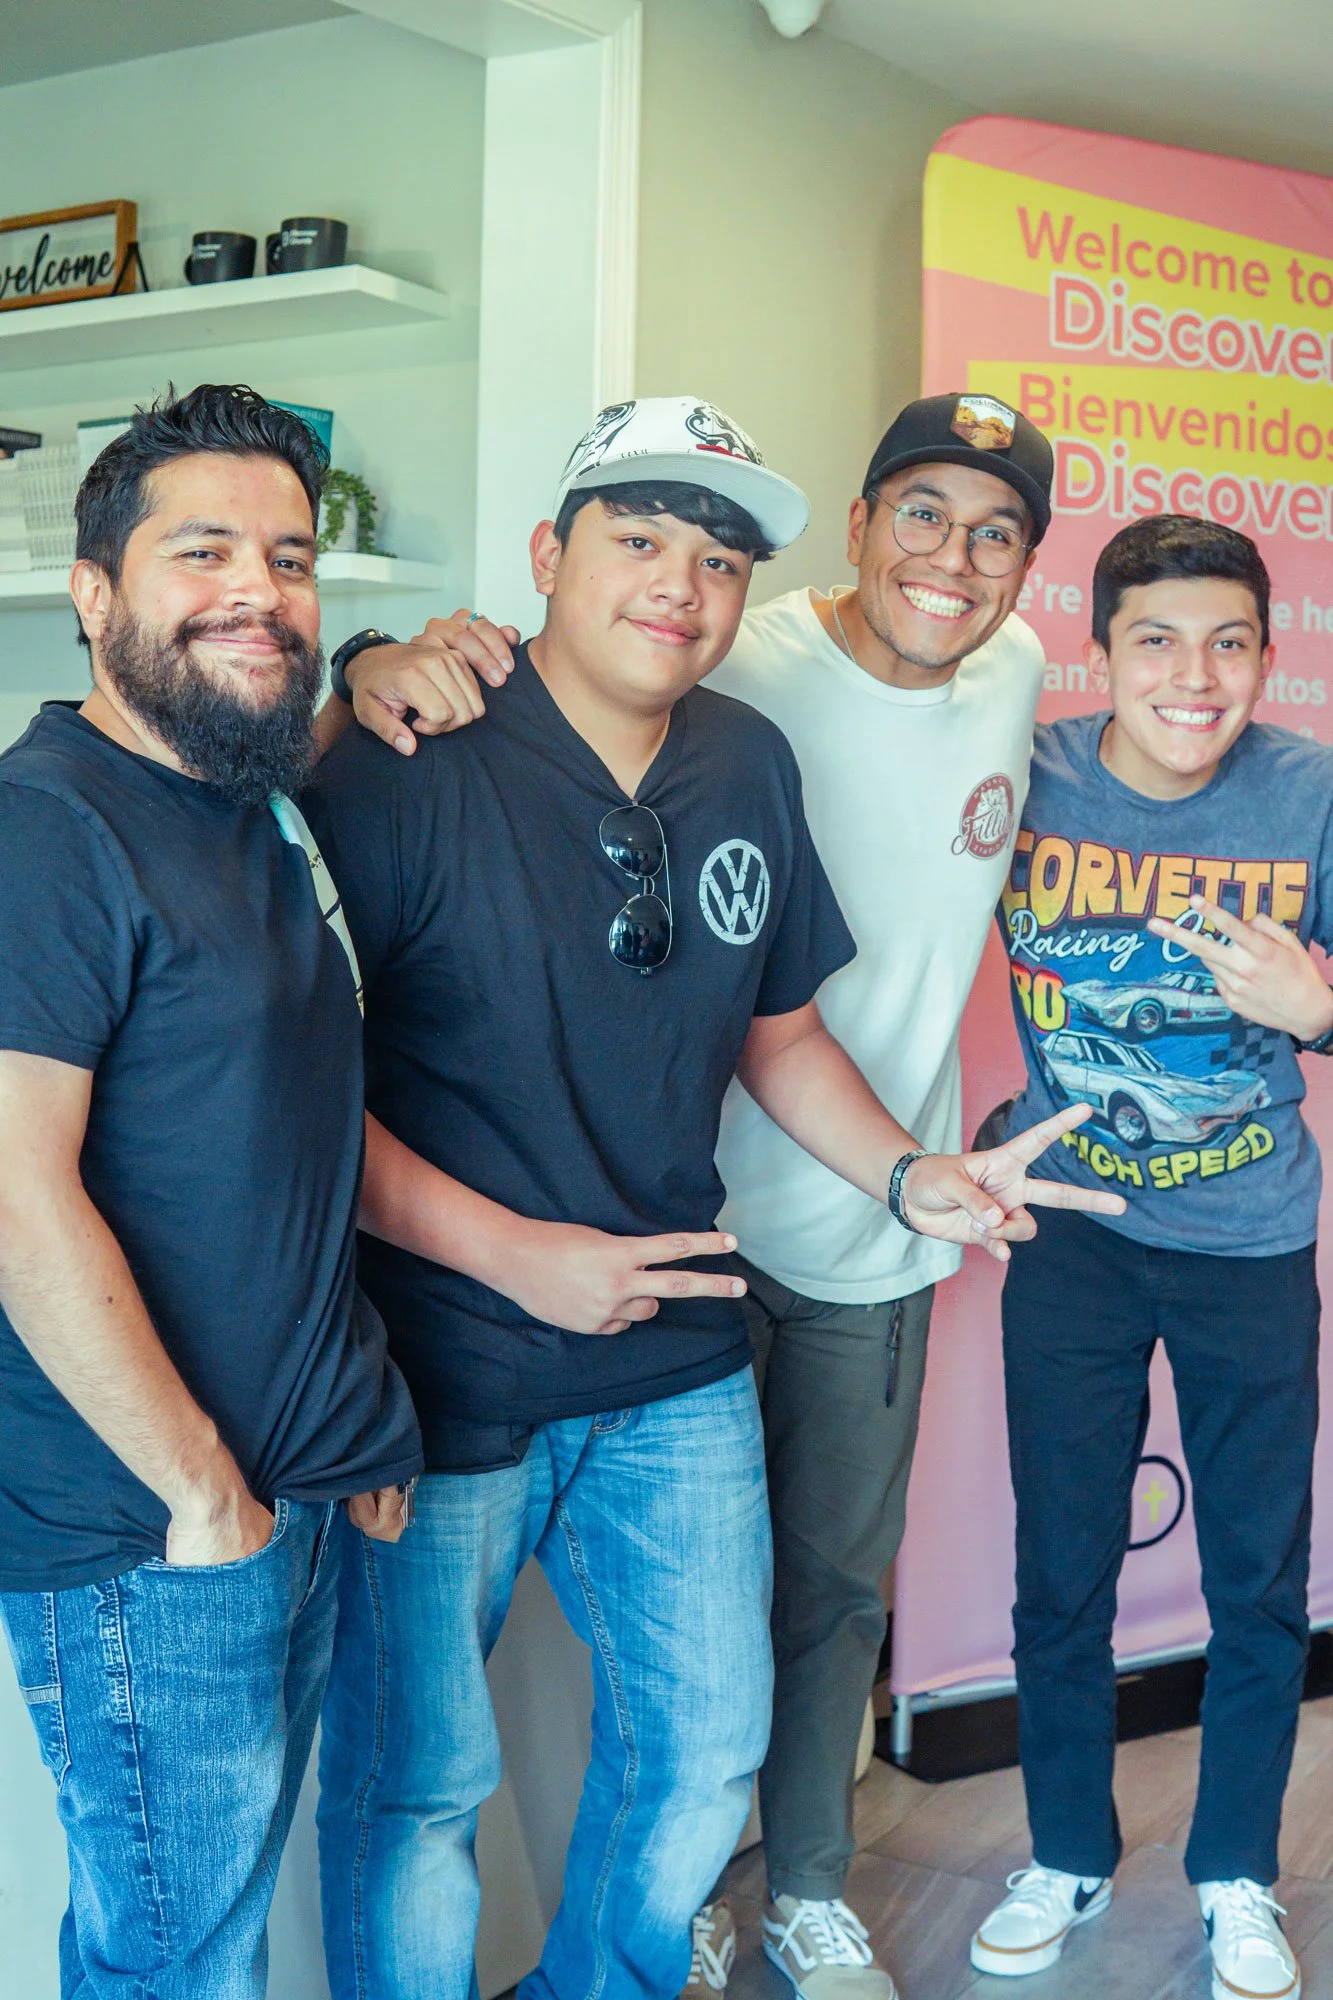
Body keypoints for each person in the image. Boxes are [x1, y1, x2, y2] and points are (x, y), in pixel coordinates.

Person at [305, 395, 1121, 2000]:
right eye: (637, 540)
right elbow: (305, 1089)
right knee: (415, 1787)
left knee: (701, 1751)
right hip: (441, 1364)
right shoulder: (406, 759)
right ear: (547, 557)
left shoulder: (747, 756)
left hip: (674, 1351)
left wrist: (912, 1174)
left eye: (718, 560)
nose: (678, 584)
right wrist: (365, 664)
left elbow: (781, 1031)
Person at [0, 385, 422, 2000]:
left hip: (278, 1497)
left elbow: (277, 1143)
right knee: (181, 1966)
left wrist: (341, 1434)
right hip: (146, 1535)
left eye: (290, 558)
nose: (258, 590)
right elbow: (18, 1198)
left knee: (205, 1940)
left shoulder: (243, 802)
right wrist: (200, 1493)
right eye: (202, 552)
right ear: (92, 593)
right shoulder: (46, 830)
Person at [970, 516, 1327, 2000]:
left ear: (1266, 655)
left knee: (1257, 1581)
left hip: (1253, 1243)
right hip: (1076, 1238)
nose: (1197, 676)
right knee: (1060, 1571)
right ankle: (1065, 1853)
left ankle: (1237, 1874)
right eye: (1159, 641)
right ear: (1100, 649)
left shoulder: (1309, 793)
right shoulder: (1022, 773)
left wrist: (1318, 1010)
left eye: (1230, 643)